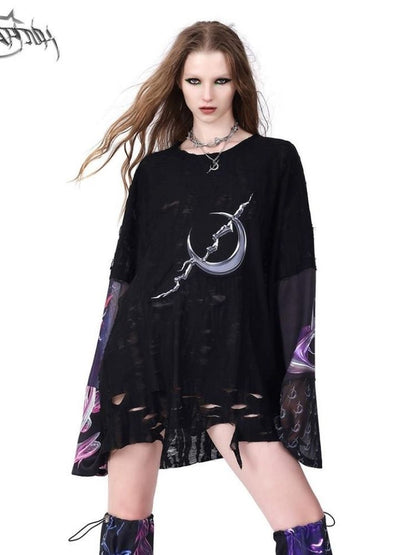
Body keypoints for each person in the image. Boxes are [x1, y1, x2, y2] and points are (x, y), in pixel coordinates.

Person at [68, 20, 335, 554]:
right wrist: (100, 378)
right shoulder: (155, 172)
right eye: (194, 81)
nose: (207, 95)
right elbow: (125, 281)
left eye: (220, 80)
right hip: (143, 356)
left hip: (232, 361)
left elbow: (293, 275)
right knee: (125, 526)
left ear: (239, 84)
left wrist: (292, 376)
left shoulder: (275, 160)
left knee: (302, 527)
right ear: (178, 84)